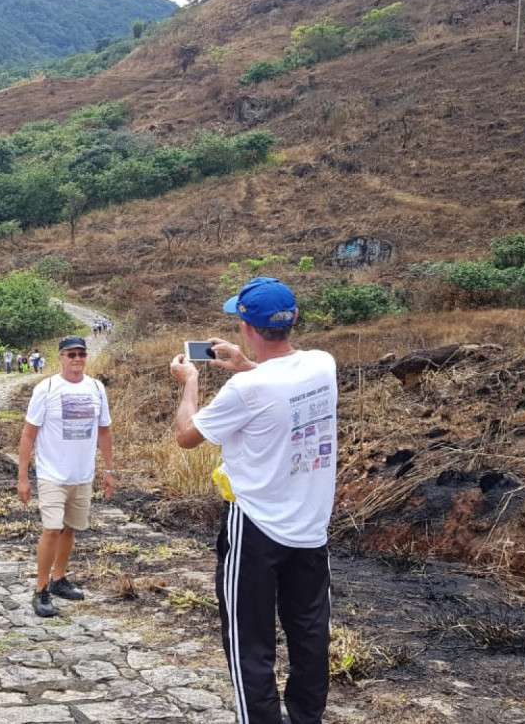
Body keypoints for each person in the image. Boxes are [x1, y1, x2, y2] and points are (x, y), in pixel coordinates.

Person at [169, 277, 337, 724]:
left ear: (245, 326)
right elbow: (279, 385)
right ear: (294, 318)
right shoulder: (323, 365)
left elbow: (188, 435)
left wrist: (189, 384)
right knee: (309, 637)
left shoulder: (246, 391)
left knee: (250, 644)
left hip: (256, 527)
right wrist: (248, 365)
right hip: (311, 527)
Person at [17, 336, 116, 618]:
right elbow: (28, 434)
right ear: (60, 357)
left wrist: (109, 471)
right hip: (52, 473)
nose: (77, 359)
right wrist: (23, 477)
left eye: (81, 354)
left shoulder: (96, 388)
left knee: (70, 527)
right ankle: (40, 589)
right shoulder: (46, 388)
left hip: (82, 474)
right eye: (71, 354)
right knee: (51, 528)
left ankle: (59, 579)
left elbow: (104, 430)